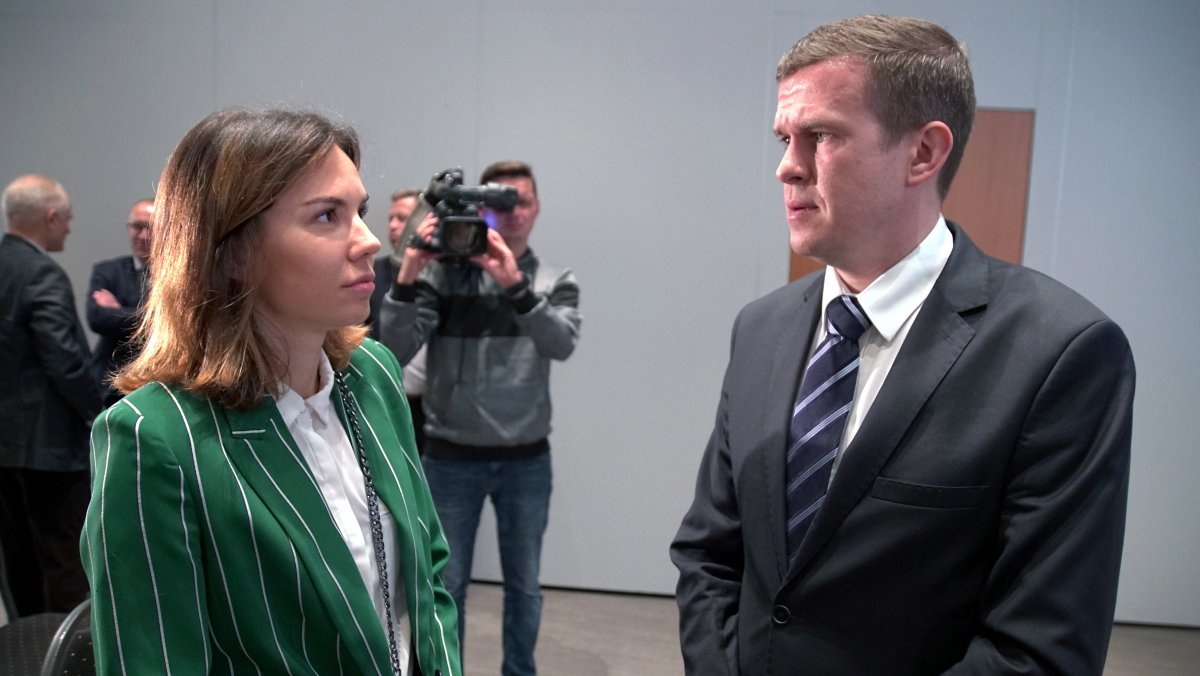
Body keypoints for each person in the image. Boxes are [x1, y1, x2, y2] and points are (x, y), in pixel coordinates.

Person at [671, 15, 1134, 676]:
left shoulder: (1059, 353)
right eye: (784, 138)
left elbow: (1040, 649)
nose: (787, 168)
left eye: (821, 136)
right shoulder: (760, 329)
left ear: (923, 153)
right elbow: (709, 554)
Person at [81, 108, 460, 676]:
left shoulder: (373, 375)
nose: (370, 241)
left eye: (359, 211)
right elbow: (155, 657)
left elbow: (427, 574)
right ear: (232, 251)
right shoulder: (154, 438)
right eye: (327, 216)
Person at [380, 161, 581, 676]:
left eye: (521, 202)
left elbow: (561, 344)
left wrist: (515, 285)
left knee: (524, 587)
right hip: (451, 458)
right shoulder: (443, 275)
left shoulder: (555, 280)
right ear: (480, 208)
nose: (511, 213)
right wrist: (409, 269)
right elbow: (394, 351)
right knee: (447, 587)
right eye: (499, 203)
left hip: (525, 460)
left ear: (536, 209)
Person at [0, 174, 99, 616]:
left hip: (6, 445)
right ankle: (65, 648)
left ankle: (25, 641)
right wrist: (96, 411)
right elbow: (64, 359)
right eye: (68, 219)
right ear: (51, 216)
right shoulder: (42, 272)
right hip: (50, 446)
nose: (70, 229)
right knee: (64, 558)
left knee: (18, 556)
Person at [368, 188, 428, 452]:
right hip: (382, 404)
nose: (392, 225)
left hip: (435, 415)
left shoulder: (443, 278)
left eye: (402, 219)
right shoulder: (371, 275)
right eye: (391, 218)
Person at [87, 198, 153, 406]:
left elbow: (171, 322)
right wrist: (146, 316)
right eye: (137, 227)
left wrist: (117, 310)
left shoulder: (177, 276)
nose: (143, 235)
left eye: (151, 228)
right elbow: (97, 319)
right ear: (128, 228)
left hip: (154, 382)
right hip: (110, 384)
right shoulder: (107, 271)